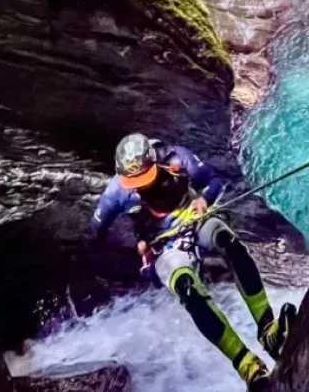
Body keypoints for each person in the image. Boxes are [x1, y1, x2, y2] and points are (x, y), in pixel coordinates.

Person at [90, 133, 296, 390]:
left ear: (154, 162)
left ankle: (268, 330)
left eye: (143, 178)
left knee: (229, 243)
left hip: (194, 221)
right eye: (133, 181)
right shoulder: (116, 193)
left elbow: (212, 183)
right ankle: (246, 365)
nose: (140, 186)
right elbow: (97, 232)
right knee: (188, 289)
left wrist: (203, 199)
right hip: (164, 248)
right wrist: (135, 246)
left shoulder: (177, 159)